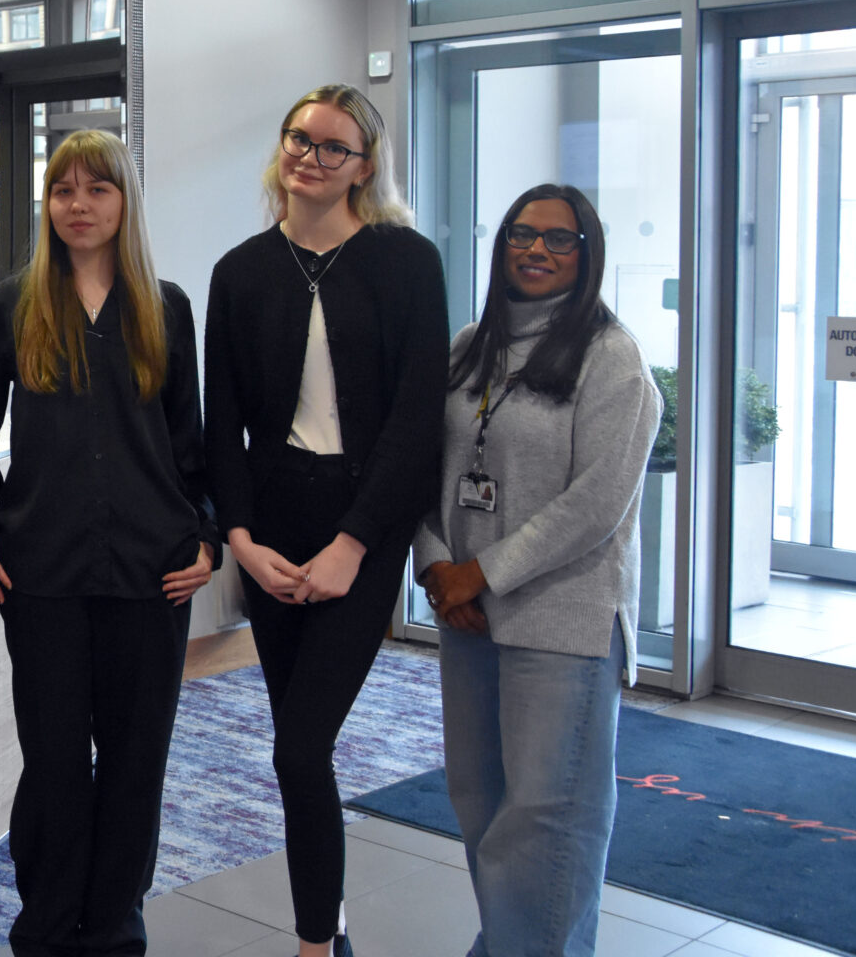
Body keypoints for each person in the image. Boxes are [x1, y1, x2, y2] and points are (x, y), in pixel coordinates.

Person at [204, 85, 447, 957]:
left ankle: (316, 946)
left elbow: (420, 422)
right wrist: (240, 541)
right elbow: (220, 424)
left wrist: (354, 544)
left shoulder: (407, 261)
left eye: (332, 147)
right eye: (298, 138)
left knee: (301, 752)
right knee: (294, 750)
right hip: (270, 532)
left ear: (366, 167)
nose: (309, 155)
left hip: (363, 526)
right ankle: (328, 930)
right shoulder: (239, 271)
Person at [0, 129, 217, 956]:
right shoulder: (14, 305)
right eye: (63, 190)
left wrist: (207, 538)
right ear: (45, 205)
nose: (79, 205)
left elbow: (192, 444)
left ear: (124, 202)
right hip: (42, 573)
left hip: (153, 574)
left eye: (97, 189)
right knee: (52, 759)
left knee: (136, 758)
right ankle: (46, 920)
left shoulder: (168, 306)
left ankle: (114, 922)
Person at [415, 184, 660, 957]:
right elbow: (421, 465)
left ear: (588, 255)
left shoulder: (612, 359)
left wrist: (482, 572)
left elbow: (598, 504)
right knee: (481, 804)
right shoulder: (466, 347)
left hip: (563, 621)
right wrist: (438, 568)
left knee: (547, 821)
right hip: (467, 613)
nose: (537, 250)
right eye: (523, 234)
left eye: (560, 240)